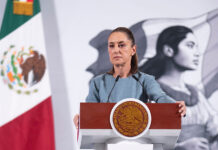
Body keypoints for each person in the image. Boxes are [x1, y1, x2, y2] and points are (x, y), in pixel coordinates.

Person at [74, 27, 186, 128]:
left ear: (133, 50)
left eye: (121, 45)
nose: (116, 50)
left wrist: (174, 105)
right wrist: (82, 118)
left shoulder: (146, 80)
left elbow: (160, 97)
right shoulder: (97, 82)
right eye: (111, 46)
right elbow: (90, 109)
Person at [140, 25, 218, 150]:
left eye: (197, 47)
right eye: (190, 46)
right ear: (169, 50)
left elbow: (213, 129)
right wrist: (180, 147)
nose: (197, 53)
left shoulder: (196, 94)